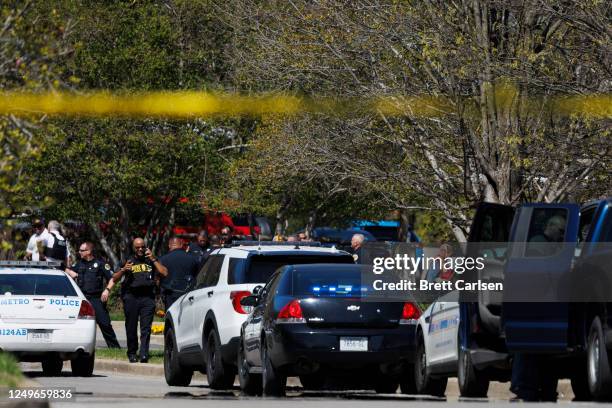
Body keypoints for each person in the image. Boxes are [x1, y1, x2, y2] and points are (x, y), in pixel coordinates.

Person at [112, 238, 168, 363]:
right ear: (133, 248)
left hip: (147, 297)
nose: (140, 249)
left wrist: (153, 259)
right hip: (131, 296)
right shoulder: (128, 259)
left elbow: (164, 273)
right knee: (131, 327)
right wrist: (123, 270)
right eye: (137, 247)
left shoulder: (151, 259)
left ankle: (144, 354)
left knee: (146, 328)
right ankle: (132, 353)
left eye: (142, 246)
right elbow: (114, 278)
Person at [65, 242, 120, 348]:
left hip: (96, 298)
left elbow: (113, 278)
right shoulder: (79, 264)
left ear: (89, 251)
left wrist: (107, 290)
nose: (79, 252)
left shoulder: (100, 264)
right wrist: (65, 268)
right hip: (82, 299)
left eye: (82, 250)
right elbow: (69, 272)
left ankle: (114, 347)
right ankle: (78, 347)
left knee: (105, 323)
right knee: (78, 324)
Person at [160, 237, 200, 310]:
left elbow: (159, 276)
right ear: (181, 245)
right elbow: (197, 274)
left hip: (169, 294)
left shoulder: (163, 259)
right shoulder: (193, 258)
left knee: (170, 317)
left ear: (169, 245)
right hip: (187, 293)